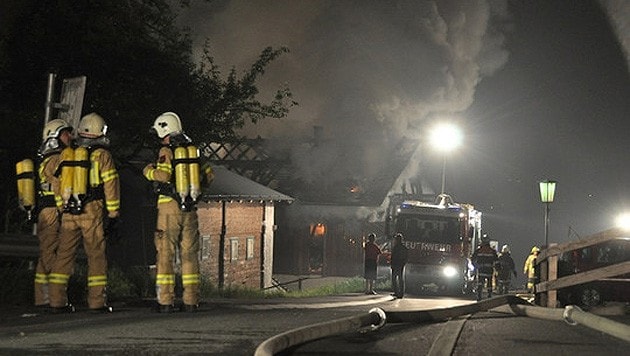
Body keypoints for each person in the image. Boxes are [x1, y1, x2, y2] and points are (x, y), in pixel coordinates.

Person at [49, 113, 120, 313]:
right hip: (92, 210)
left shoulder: (67, 153)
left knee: (63, 256)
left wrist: (61, 208)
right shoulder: (102, 155)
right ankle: (97, 302)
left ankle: (56, 301)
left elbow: (56, 184)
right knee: (96, 256)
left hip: (69, 212)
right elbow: (111, 186)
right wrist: (114, 215)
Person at [144, 112, 214, 313]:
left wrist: (148, 171)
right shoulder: (194, 150)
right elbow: (209, 176)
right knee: (190, 255)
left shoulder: (166, 150)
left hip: (168, 208)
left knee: (165, 253)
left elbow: (164, 175)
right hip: (190, 208)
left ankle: (165, 301)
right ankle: (191, 301)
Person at [31, 119, 73, 308]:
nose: (69, 137)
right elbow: (57, 184)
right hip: (51, 211)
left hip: (45, 210)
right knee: (52, 256)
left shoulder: (46, 158)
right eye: (65, 133)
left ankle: (43, 299)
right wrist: (62, 207)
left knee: (46, 254)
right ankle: (57, 300)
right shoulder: (56, 158)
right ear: (55, 137)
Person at [390, 233, 408, 299]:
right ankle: (401, 293)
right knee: (401, 279)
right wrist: (403, 263)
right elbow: (406, 257)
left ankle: (396, 292)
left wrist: (391, 264)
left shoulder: (395, 247)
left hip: (395, 264)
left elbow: (393, 256)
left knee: (394, 279)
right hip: (401, 265)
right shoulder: (404, 248)